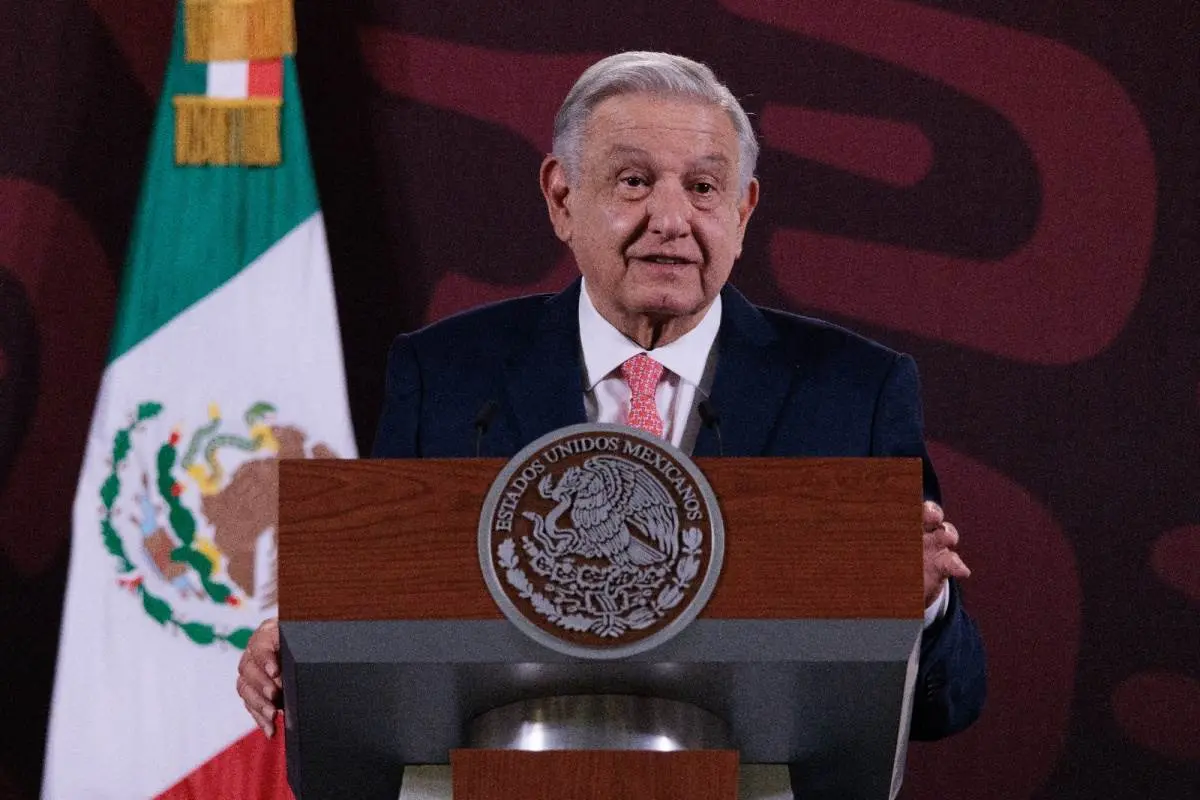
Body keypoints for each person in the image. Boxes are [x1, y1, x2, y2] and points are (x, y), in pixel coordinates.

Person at [237, 51, 984, 746]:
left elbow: (949, 701)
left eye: (702, 187)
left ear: (743, 211)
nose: (671, 219)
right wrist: (308, 652)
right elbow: (380, 617)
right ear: (562, 199)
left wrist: (916, 606)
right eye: (633, 182)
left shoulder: (852, 391)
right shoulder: (449, 376)